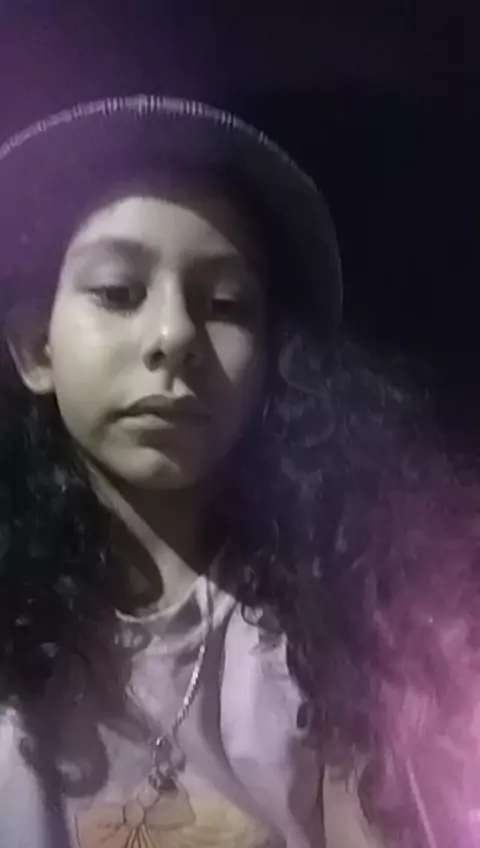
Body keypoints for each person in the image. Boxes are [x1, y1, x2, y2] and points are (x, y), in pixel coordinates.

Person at [0, 93, 381, 848]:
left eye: (226, 304)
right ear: (37, 347)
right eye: (119, 292)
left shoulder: (340, 624)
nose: (174, 335)